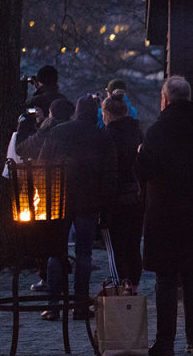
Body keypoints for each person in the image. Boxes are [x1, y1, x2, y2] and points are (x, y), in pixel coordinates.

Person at [134, 76, 193, 356]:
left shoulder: (157, 132)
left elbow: (144, 170)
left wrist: (139, 155)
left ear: (165, 99)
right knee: (192, 275)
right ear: (190, 98)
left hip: (164, 214)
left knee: (166, 279)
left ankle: (165, 341)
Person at [39, 95, 117, 321]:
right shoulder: (102, 137)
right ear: (95, 113)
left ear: (76, 111)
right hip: (89, 203)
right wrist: (106, 205)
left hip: (59, 201)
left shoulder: (59, 132)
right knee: (84, 254)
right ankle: (80, 304)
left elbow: (43, 163)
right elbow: (110, 175)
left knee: (56, 252)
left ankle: (53, 305)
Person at [14, 97, 75, 293]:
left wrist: (24, 125)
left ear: (51, 113)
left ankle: (49, 280)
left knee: (46, 239)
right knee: (60, 241)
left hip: (46, 193)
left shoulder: (48, 129)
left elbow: (23, 148)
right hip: (70, 194)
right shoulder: (73, 131)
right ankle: (61, 282)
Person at [102, 89, 144, 293]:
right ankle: (133, 284)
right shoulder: (137, 132)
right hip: (137, 196)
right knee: (133, 243)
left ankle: (121, 284)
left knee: (117, 244)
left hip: (117, 198)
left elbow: (107, 170)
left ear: (106, 114)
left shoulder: (108, 136)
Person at [17, 65, 67, 145]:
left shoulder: (36, 101)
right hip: (60, 143)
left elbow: (20, 111)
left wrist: (23, 89)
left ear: (40, 81)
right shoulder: (63, 100)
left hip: (38, 144)